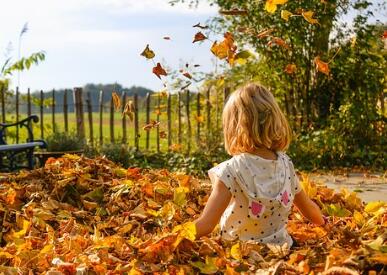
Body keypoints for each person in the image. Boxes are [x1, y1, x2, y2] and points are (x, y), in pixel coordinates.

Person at [194, 83, 325, 247]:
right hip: (281, 247)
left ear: (233, 128)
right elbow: (310, 210)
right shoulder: (286, 163)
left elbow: (206, 225)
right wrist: (323, 222)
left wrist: (173, 237)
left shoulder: (231, 170)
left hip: (239, 252)